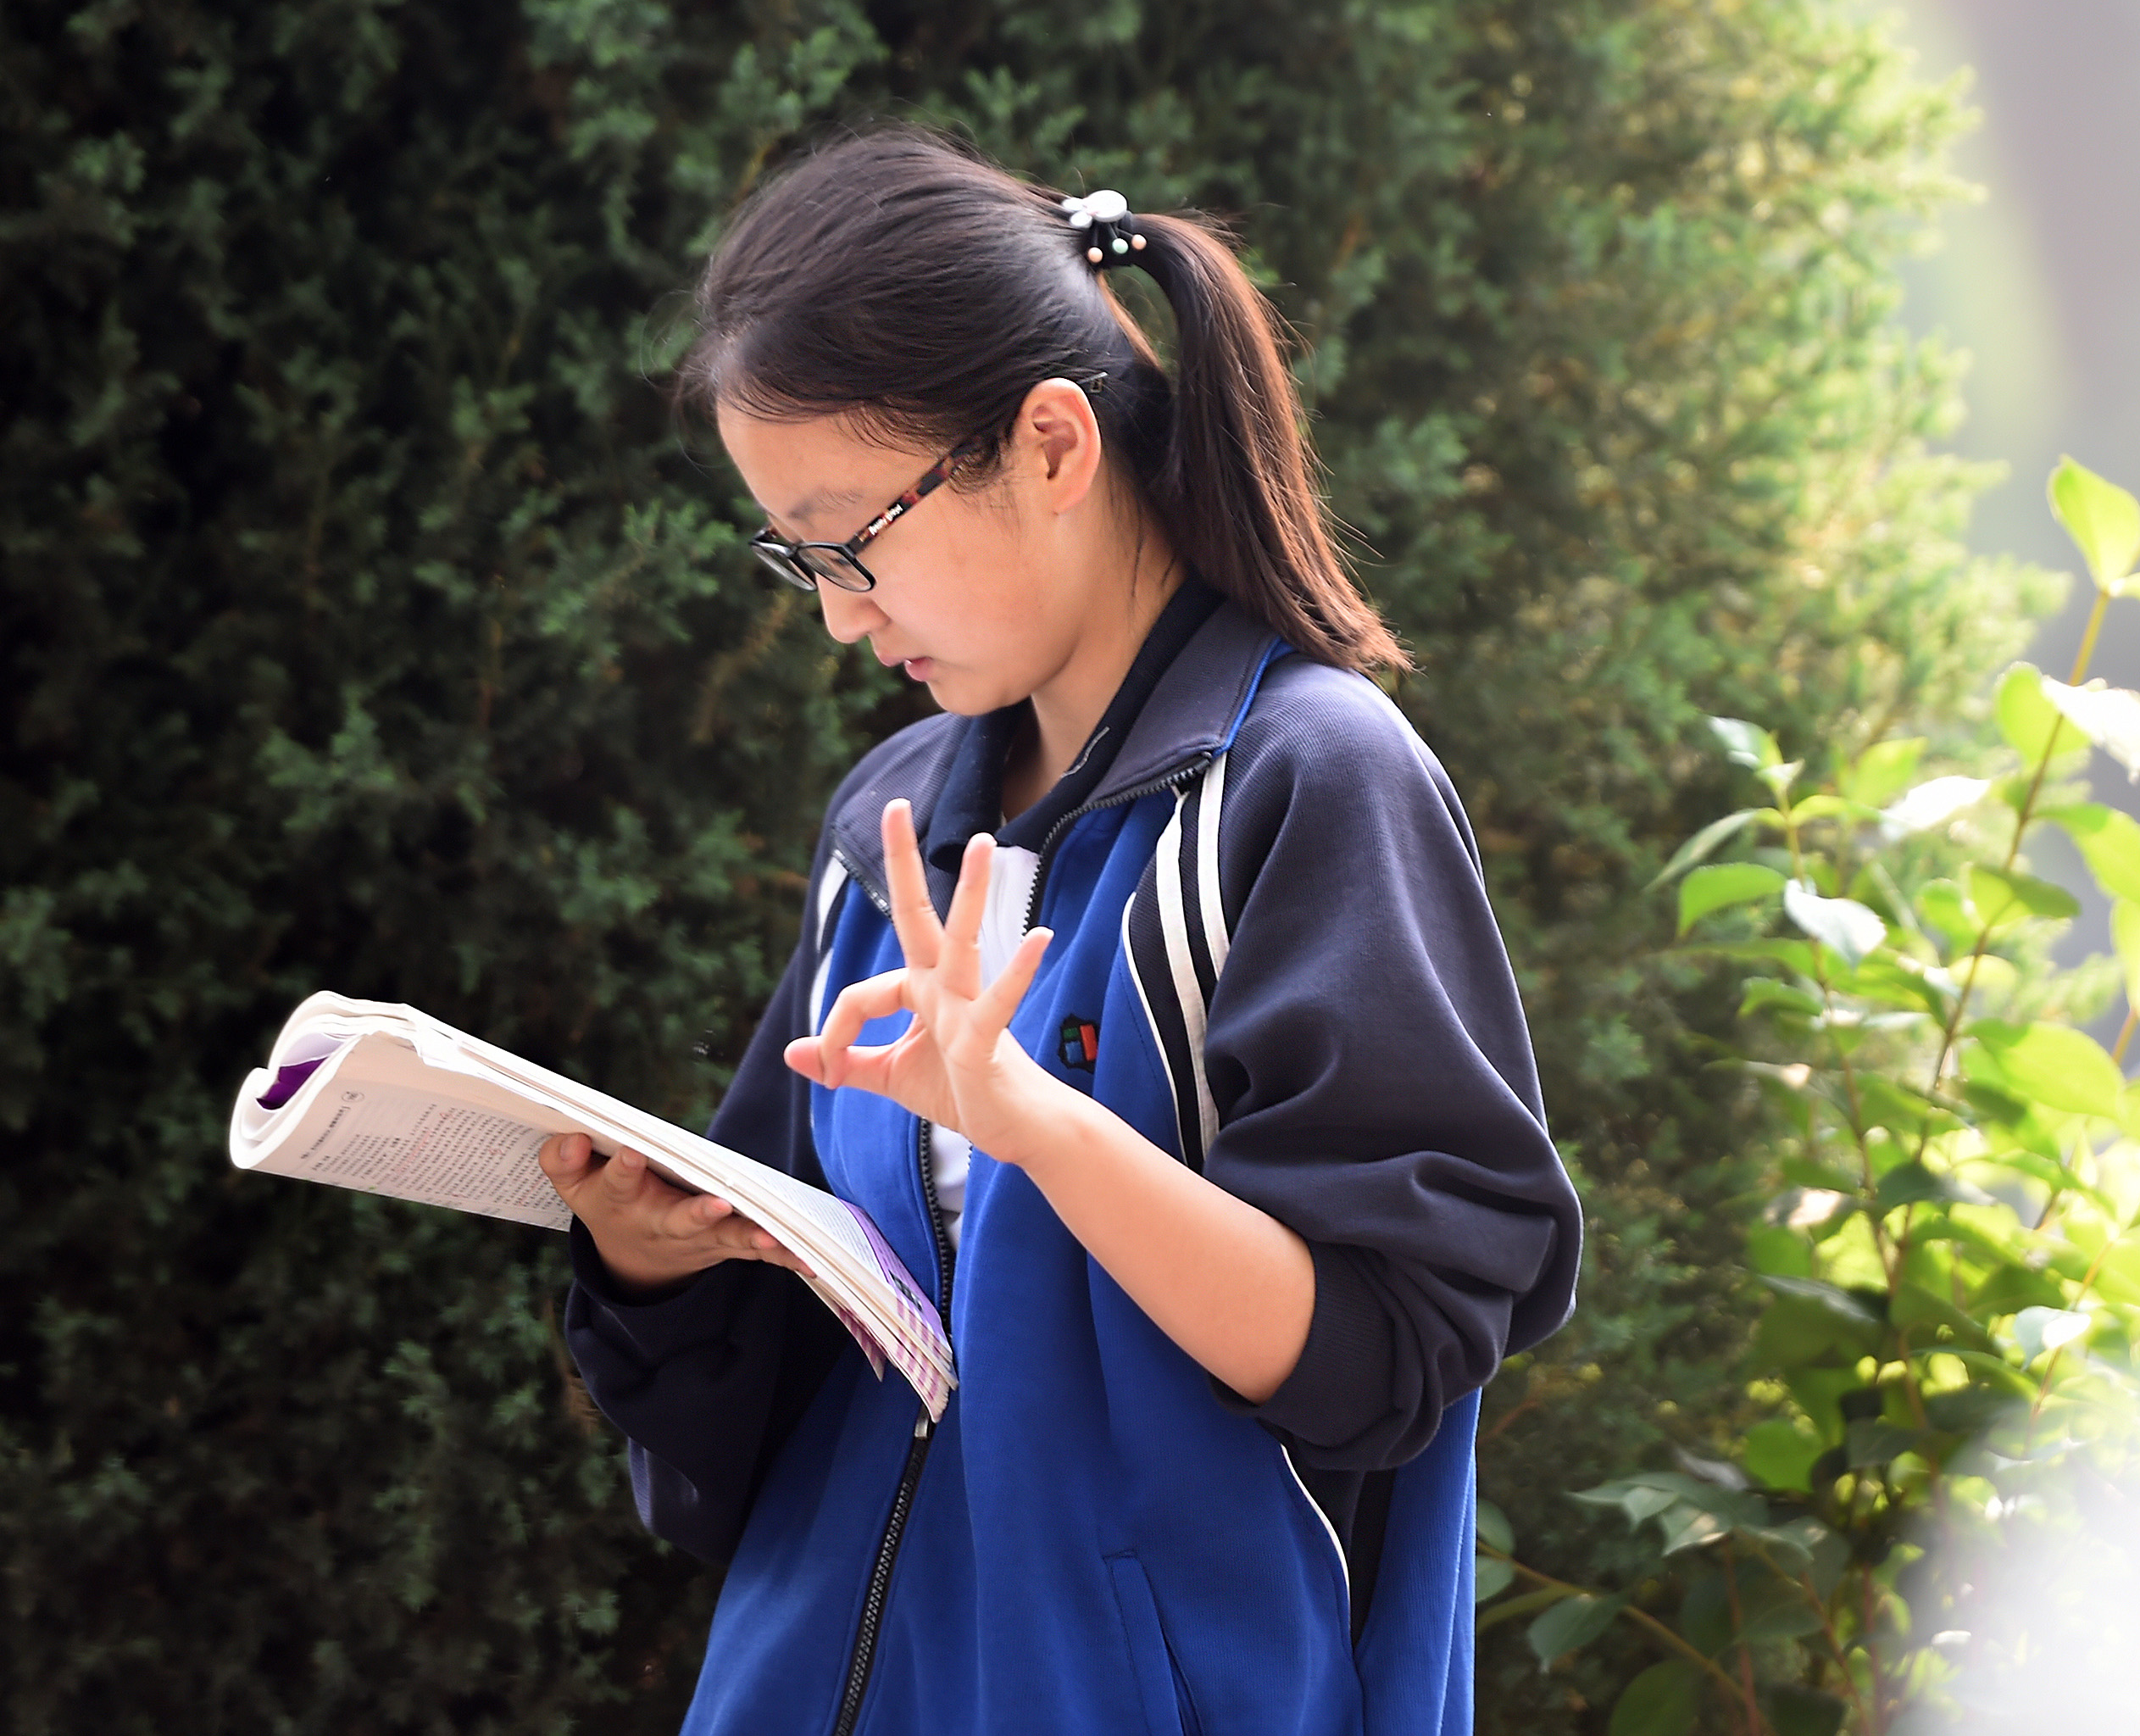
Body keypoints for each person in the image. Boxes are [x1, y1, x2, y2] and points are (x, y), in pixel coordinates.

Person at [536, 126, 1581, 1736]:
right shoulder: (893, 819)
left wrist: (1032, 1123)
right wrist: (650, 1262)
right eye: (795, 554)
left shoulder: (1306, 783)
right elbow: (765, 1419)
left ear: (1049, 444)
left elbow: (1386, 1352)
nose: (834, 610)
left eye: (854, 539)